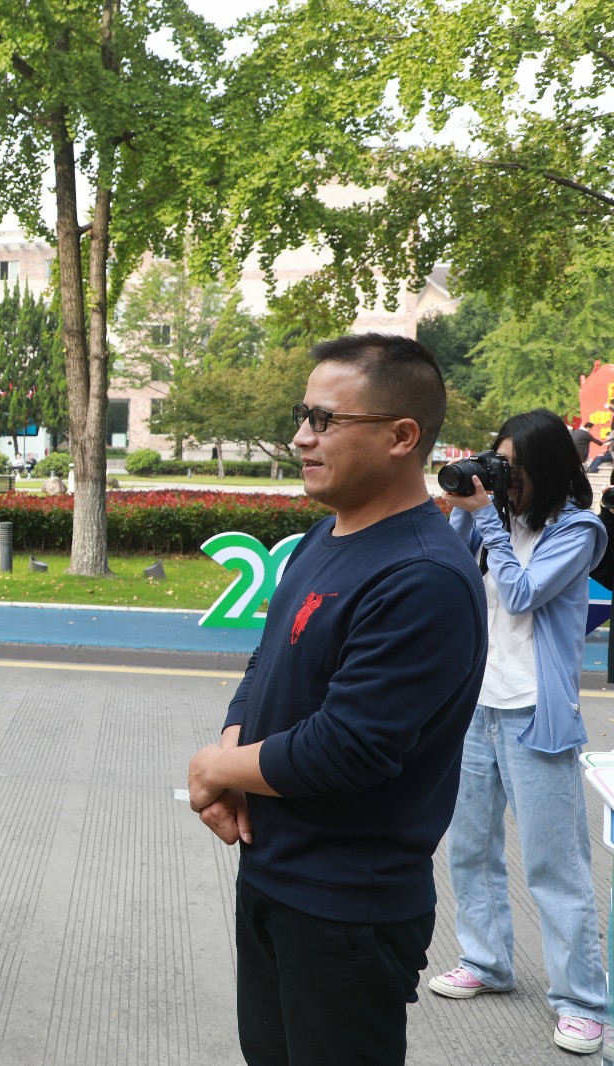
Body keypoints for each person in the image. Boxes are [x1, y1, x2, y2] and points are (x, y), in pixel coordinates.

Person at [186, 334, 487, 1065]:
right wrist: (234, 743)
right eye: (303, 415)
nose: (301, 437)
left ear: (401, 436)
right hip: (274, 875)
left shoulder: (423, 576)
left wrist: (215, 770)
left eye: (325, 420)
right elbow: (269, 660)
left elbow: (349, 747)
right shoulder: (325, 536)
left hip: (347, 907)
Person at [431, 408, 607, 1055]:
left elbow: (524, 592)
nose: (503, 477)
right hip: (475, 706)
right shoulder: (492, 520)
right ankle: (486, 961)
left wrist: (485, 521)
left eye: (513, 467)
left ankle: (583, 1002)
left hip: (536, 714)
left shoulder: (578, 530)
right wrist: (461, 513)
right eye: (497, 462)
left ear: (547, 467)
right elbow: (445, 577)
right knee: (470, 849)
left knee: (554, 866)